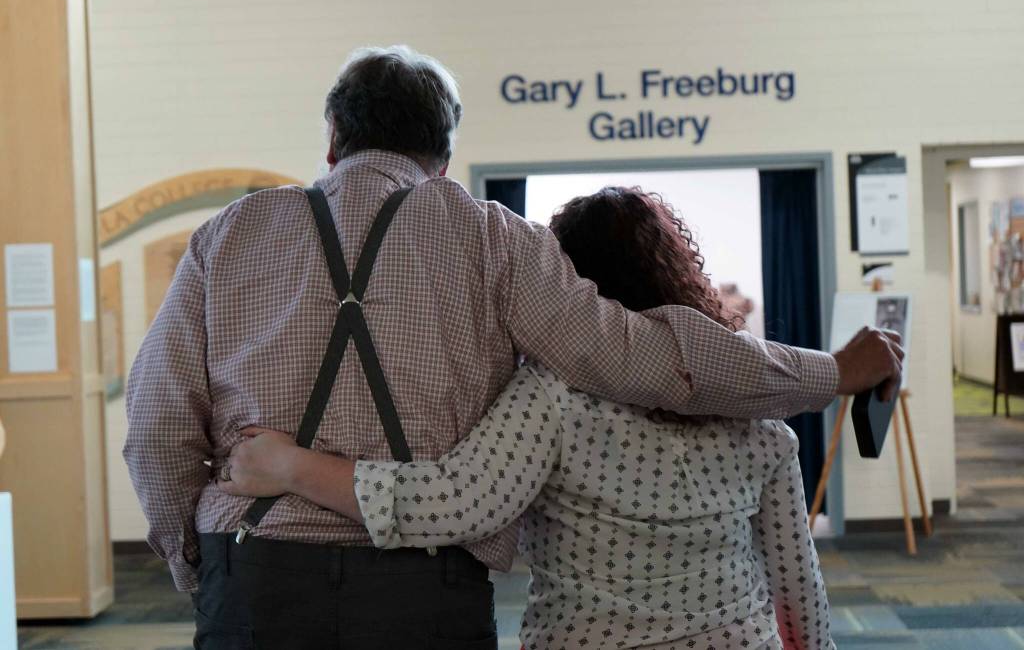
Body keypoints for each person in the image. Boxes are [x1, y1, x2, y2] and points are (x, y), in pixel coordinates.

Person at [124, 45, 901, 648]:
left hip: (256, 571)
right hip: (422, 593)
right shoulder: (490, 238)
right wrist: (831, 373)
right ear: (445, 153)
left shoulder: (228, 236)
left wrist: (201, 561)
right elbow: (643, 359)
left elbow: (157, 426)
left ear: (332, 140)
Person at [222, 187, 839, 649]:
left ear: (569, 286)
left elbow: (454, 503)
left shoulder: (553, 397)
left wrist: (291, 467)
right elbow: (797, 583)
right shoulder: (754, 417)